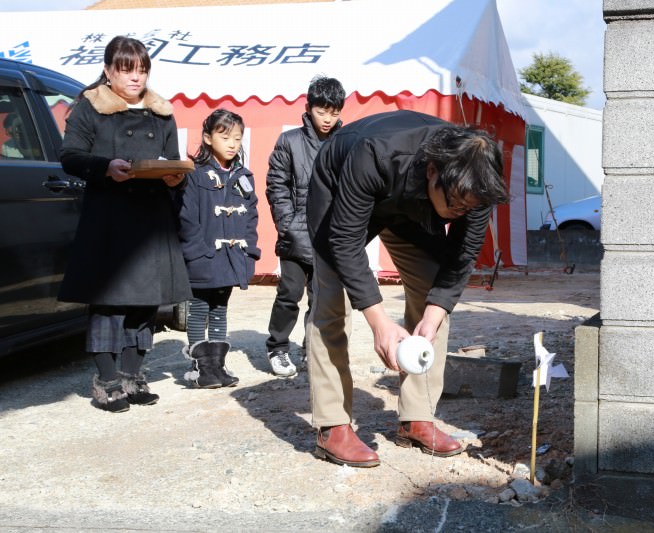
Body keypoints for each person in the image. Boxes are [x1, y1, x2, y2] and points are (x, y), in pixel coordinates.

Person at [306, 109, 508, 467]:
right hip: (343, 187)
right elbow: (345, 242)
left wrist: (433, 316)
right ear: (433, 171)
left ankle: (417, 417)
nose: (461, 211)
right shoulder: (374, 152)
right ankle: (333, 425)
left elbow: (460, 259)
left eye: (468, 207)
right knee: (330, 299)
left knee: (435, 297)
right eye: (456, 204)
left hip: (414, 204)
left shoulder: (477, 180)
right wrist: (380, 323)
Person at [59, 36, 192, 413]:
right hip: (109, 216)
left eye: (142, 69)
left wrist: (174, 177)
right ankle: (106, 380)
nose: (136, 77)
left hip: (151, 218)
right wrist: (104, 167)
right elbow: (69, 156)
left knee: (145, 303)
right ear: (109, 70)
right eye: (127, 69)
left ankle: (133, 375)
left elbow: (172, 159)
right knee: (109, 303)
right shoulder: (90, 107)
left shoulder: (161, 111)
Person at [265, 75, 345, 377]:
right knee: (289, 293)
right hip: (296, 236)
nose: (327, 119)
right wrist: (287, 224)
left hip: (331, 237)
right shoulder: (290, 141)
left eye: (334, 112)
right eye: (321, 111)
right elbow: (276, 186)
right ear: (308, 107)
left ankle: (312, 347)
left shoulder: (346, 142)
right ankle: (277, 347)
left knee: (322, 298)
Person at [177, 109, 260, 388]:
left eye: (237, 138)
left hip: (231, 256)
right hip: (203, 256)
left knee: (220, 309)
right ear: (207, 138)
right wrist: (197, 251)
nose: (232, 143)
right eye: (225, 137)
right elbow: (187, 218)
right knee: (199, 309)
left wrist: (249, 250)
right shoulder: (196, 174)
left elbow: (251, 216)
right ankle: (200, 368)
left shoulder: (243, 176)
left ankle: (217, 367)